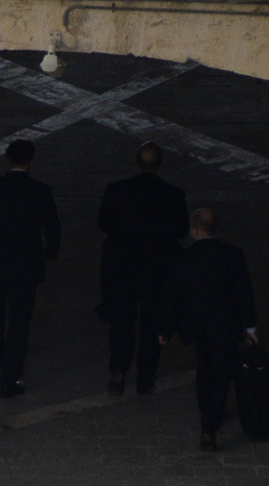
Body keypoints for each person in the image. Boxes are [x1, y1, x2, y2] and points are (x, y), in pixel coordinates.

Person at [0, 139, 62, 399]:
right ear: (30, 161)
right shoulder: (41, 190)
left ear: (7, 159)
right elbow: (52, 227)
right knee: (20, 321)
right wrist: (50, 253)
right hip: (26, 265)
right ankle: (10, 377)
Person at [158, 208, 258, 449]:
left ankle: (207, 417)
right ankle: (211, 422)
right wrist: (251, 327)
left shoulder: (183, 259)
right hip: (225, 324)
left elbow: (172, 297)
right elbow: (244, 293)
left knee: (204, 369)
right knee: (222, 373)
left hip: (197, 326)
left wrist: (166, 329)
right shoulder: (232, 255)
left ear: (194, 230)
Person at [96, 143, 188, 396]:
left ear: (137, 163)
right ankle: (145, 378)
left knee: (122, 320)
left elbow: (104, 223)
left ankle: (118, 371)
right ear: (159, 164)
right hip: (157, 268)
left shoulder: (117, 191)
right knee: (152, 322)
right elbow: (181, 231)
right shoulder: (173, 195)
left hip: (123, 266)